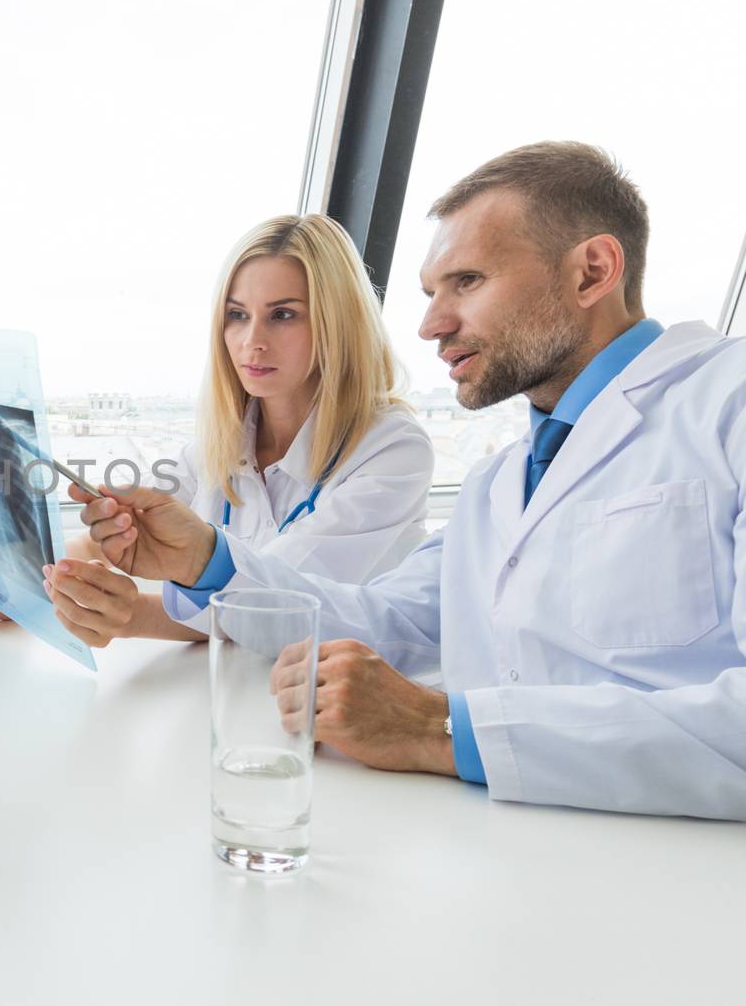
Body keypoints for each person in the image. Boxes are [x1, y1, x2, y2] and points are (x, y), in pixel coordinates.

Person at [79, 141, 746, 821]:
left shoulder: (729, 403)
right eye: (431, 293)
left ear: (592, 271)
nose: (431, 324)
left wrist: (440, 728)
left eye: (468, 282)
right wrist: (208, 559)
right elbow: (385, 620)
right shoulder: (500, 483)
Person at [0, 214, 433, 649]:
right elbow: (116, 539)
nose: (252, 342)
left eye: (283, 315)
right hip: (230, 685)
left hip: (334, 700)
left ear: (338, 323)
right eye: (237, 315)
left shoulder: (392, 449)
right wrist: (31, 587)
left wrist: (128, 615)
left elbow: (274, 600)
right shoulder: (217, 446)